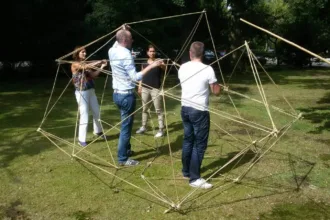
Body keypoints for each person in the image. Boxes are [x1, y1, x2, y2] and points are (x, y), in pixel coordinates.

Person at [108, 26, 163, 166]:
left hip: (117, 95)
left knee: (125, 124)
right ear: (126, 40)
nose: (132, 40)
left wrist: (123, 29)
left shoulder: (111, 50)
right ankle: (123, 158)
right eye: (131, 38)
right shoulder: (126, 54)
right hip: (126, 96)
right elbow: (135, 77)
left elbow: (117, 39)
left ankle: (126, 151)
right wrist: (152, 65)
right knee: (126, 128)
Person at [178, 41, 221, 189]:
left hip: (185, 109)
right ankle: (194, 178)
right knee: (199, 144)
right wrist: (218, 86)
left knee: (188, 140)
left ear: (190, 53)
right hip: (199, 110)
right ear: (202, 54)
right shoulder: (208, 69)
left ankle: (186, 171)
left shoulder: (182, 67)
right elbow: (216, 91)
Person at [71, 46, 108, 147]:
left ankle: (98, 132)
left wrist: (102, 67)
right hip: (81, 93)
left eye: (85, 52)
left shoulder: (86, 64)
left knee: (97, 112)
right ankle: (81, 139)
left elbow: (94, 75)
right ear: (77, 53)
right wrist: (99, 61)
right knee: (84, 115)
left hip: (91, 91)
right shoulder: (75, 64)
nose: (85, 54)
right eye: (82, 52)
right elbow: (84, 67)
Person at [136, 45, 165, 137]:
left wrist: (162, 64)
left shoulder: (158, 62)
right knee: (144, 108)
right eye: (150, 51)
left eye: (153, 51)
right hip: (144, 88)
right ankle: (144, 126)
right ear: (147, 52)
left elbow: (165, 69)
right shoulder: (144, 63)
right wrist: (140, 86)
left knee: (158, 109)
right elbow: (141, 76)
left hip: (155, 88)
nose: (152, 53)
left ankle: (161, 129)